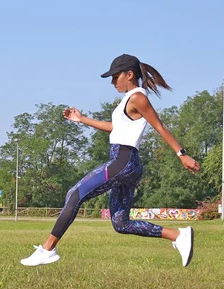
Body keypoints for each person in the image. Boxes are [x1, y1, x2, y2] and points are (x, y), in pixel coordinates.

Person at [20, 54, 201, 267]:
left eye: (115, 77)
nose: (113, 82)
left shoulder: (137, 98)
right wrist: (82, 119)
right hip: (127, 164)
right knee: (120, 223)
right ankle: (178, 236)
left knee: (74, 194)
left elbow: (159, 126)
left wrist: (182, 154)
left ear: (130, 74)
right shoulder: (127, 101)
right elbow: (115, 128)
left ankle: (47, 248)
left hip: (122, 161)